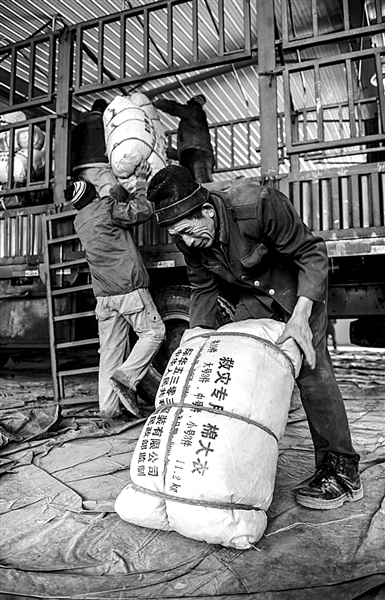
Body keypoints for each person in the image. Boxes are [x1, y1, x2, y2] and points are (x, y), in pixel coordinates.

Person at [147, 165, 363, 510]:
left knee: (311, 372)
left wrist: (301, 318)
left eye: (189, 231)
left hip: (299, 292)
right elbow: (203, 285)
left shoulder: (258, 204)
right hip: (255, 299)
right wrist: (197, 334)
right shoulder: (186, 235)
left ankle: (341, 470)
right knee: (242, 365)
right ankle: (236, 461)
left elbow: (313, 254)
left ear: (206, 210)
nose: (187, 242)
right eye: (179, 235)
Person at [65, 160, 165, 421]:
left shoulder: (81, 221)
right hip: (128, 288)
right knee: (154, 333)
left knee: (109, 353)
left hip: (104, 297)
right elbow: (141, 211)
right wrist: (141, 186)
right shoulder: (106, 207)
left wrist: (121, 191)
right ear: (93, 194)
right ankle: (127, 377)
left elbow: (113, 209)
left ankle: (108, 410)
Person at [153, 94, 215, 184]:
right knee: (194, 187)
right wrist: (169, 152)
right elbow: (188, 148)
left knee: (204, 184)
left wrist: (158, 103)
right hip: (196, 155)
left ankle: (209, 197)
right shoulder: (193, 124)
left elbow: (175, 107)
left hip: (200, 155)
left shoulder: (194, 111)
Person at [71, 98, 119, 200]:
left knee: (88, 201)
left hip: (79, 169)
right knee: (111, 198)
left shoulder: (77, 127)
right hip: (100, 166)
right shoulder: (105, 123)